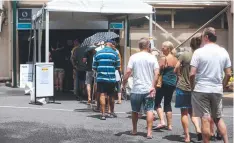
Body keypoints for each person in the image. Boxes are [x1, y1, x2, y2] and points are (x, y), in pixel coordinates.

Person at [190, 27, 231, 143]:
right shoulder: (223, 51)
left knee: (205, 117)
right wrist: (223, 86)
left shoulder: (199, 52)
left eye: (203, 36)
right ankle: (226, 141)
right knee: (217, 118)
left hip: (201, 88)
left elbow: (192, 74)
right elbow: (228, 73)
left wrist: (193, 87)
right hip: (217, 89)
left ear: (206, 37)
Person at [122, 37, 159, 139]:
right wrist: (153, 86)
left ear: (139, 46)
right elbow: (157, 73)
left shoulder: (134, 57)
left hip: (136, 89)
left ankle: (134, 130)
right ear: (148, 46)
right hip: (149, 89)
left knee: (135, 111)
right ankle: (149, 132)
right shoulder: (152, 57)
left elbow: (128, 72)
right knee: (150, 110)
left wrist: (123, 83)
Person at [174, 36, 202, 142]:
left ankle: (187, 136)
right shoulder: (201, 56)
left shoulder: (185, 55)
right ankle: (198, 129)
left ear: (191, 44)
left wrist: (179, 74)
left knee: (184, 112)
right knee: (193, 112)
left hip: (183, 87)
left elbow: (176, 68)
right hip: (196, 88)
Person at [92, 40, 120, 120]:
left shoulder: (98, 53)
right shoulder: (115, 53)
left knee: (102, 94)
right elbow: (118, 67)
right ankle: (111, 112)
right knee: (111, 95)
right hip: (111, 78)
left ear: (105, 44)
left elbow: (94, 67)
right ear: (111, 44)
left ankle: (103, 114)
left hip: (101, 78)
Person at [154, 41, 178, 131]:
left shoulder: (163, 59)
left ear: (168, 49)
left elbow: (158, 71)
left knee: (157, 103)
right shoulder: (175, 59)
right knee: (168, 103)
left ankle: (162, 121)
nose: (161, 49)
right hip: (172, 83)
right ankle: (170, 125)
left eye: (163, 47)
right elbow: (177, 72)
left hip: (163, 82)